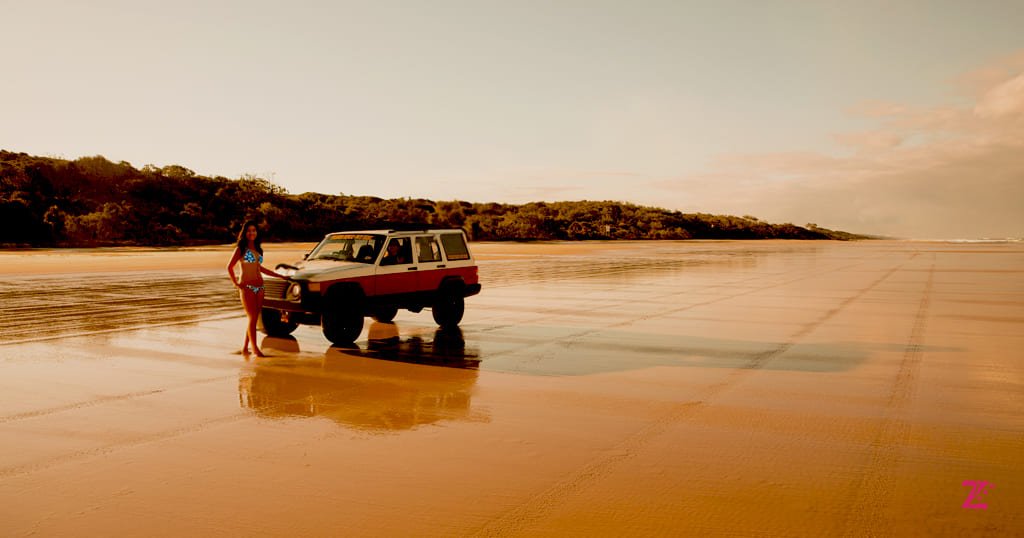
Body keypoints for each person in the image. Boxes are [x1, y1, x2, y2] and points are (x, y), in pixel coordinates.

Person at [227, 221, 288, 357]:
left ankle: (245, 348)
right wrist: (236, 283)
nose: (252, 233)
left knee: (253, 318)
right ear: (244, 233)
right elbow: (229, 267)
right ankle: (255, 349)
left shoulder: (258, 249)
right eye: (249, 230)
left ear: (257, 232)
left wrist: (278, 275)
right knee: (252, 318)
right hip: (247, 286)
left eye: (254, 230)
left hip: (260, 286)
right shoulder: (240, 249)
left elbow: (259, 268)